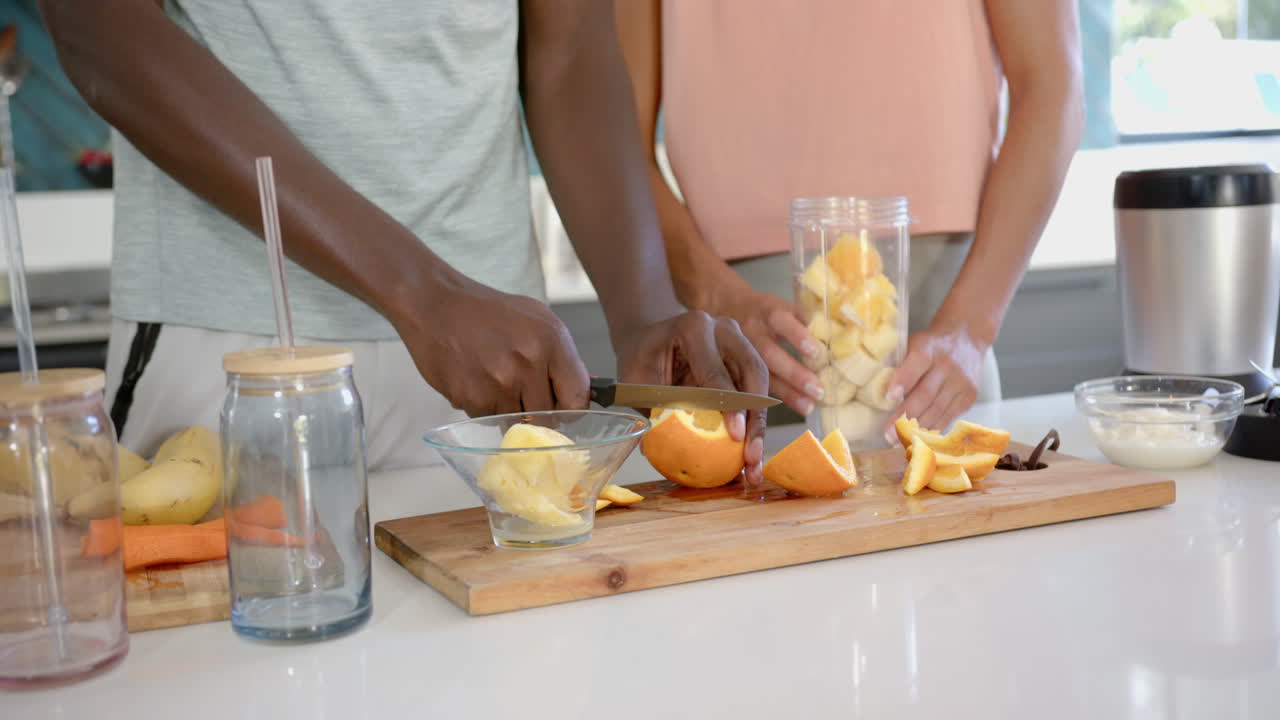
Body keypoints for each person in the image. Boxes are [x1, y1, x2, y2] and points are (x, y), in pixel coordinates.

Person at [39, 1, 769, 480]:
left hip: (508, 380)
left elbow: (572, 45)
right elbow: (97, 27)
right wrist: (421, 291)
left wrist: (641, 312)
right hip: (236, 349)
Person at [615, 0, 1084, 436]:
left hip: (941, 323)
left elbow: (1051, 83)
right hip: (739, 339)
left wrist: (969, 327)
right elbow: (613, 135)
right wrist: (714, 292)